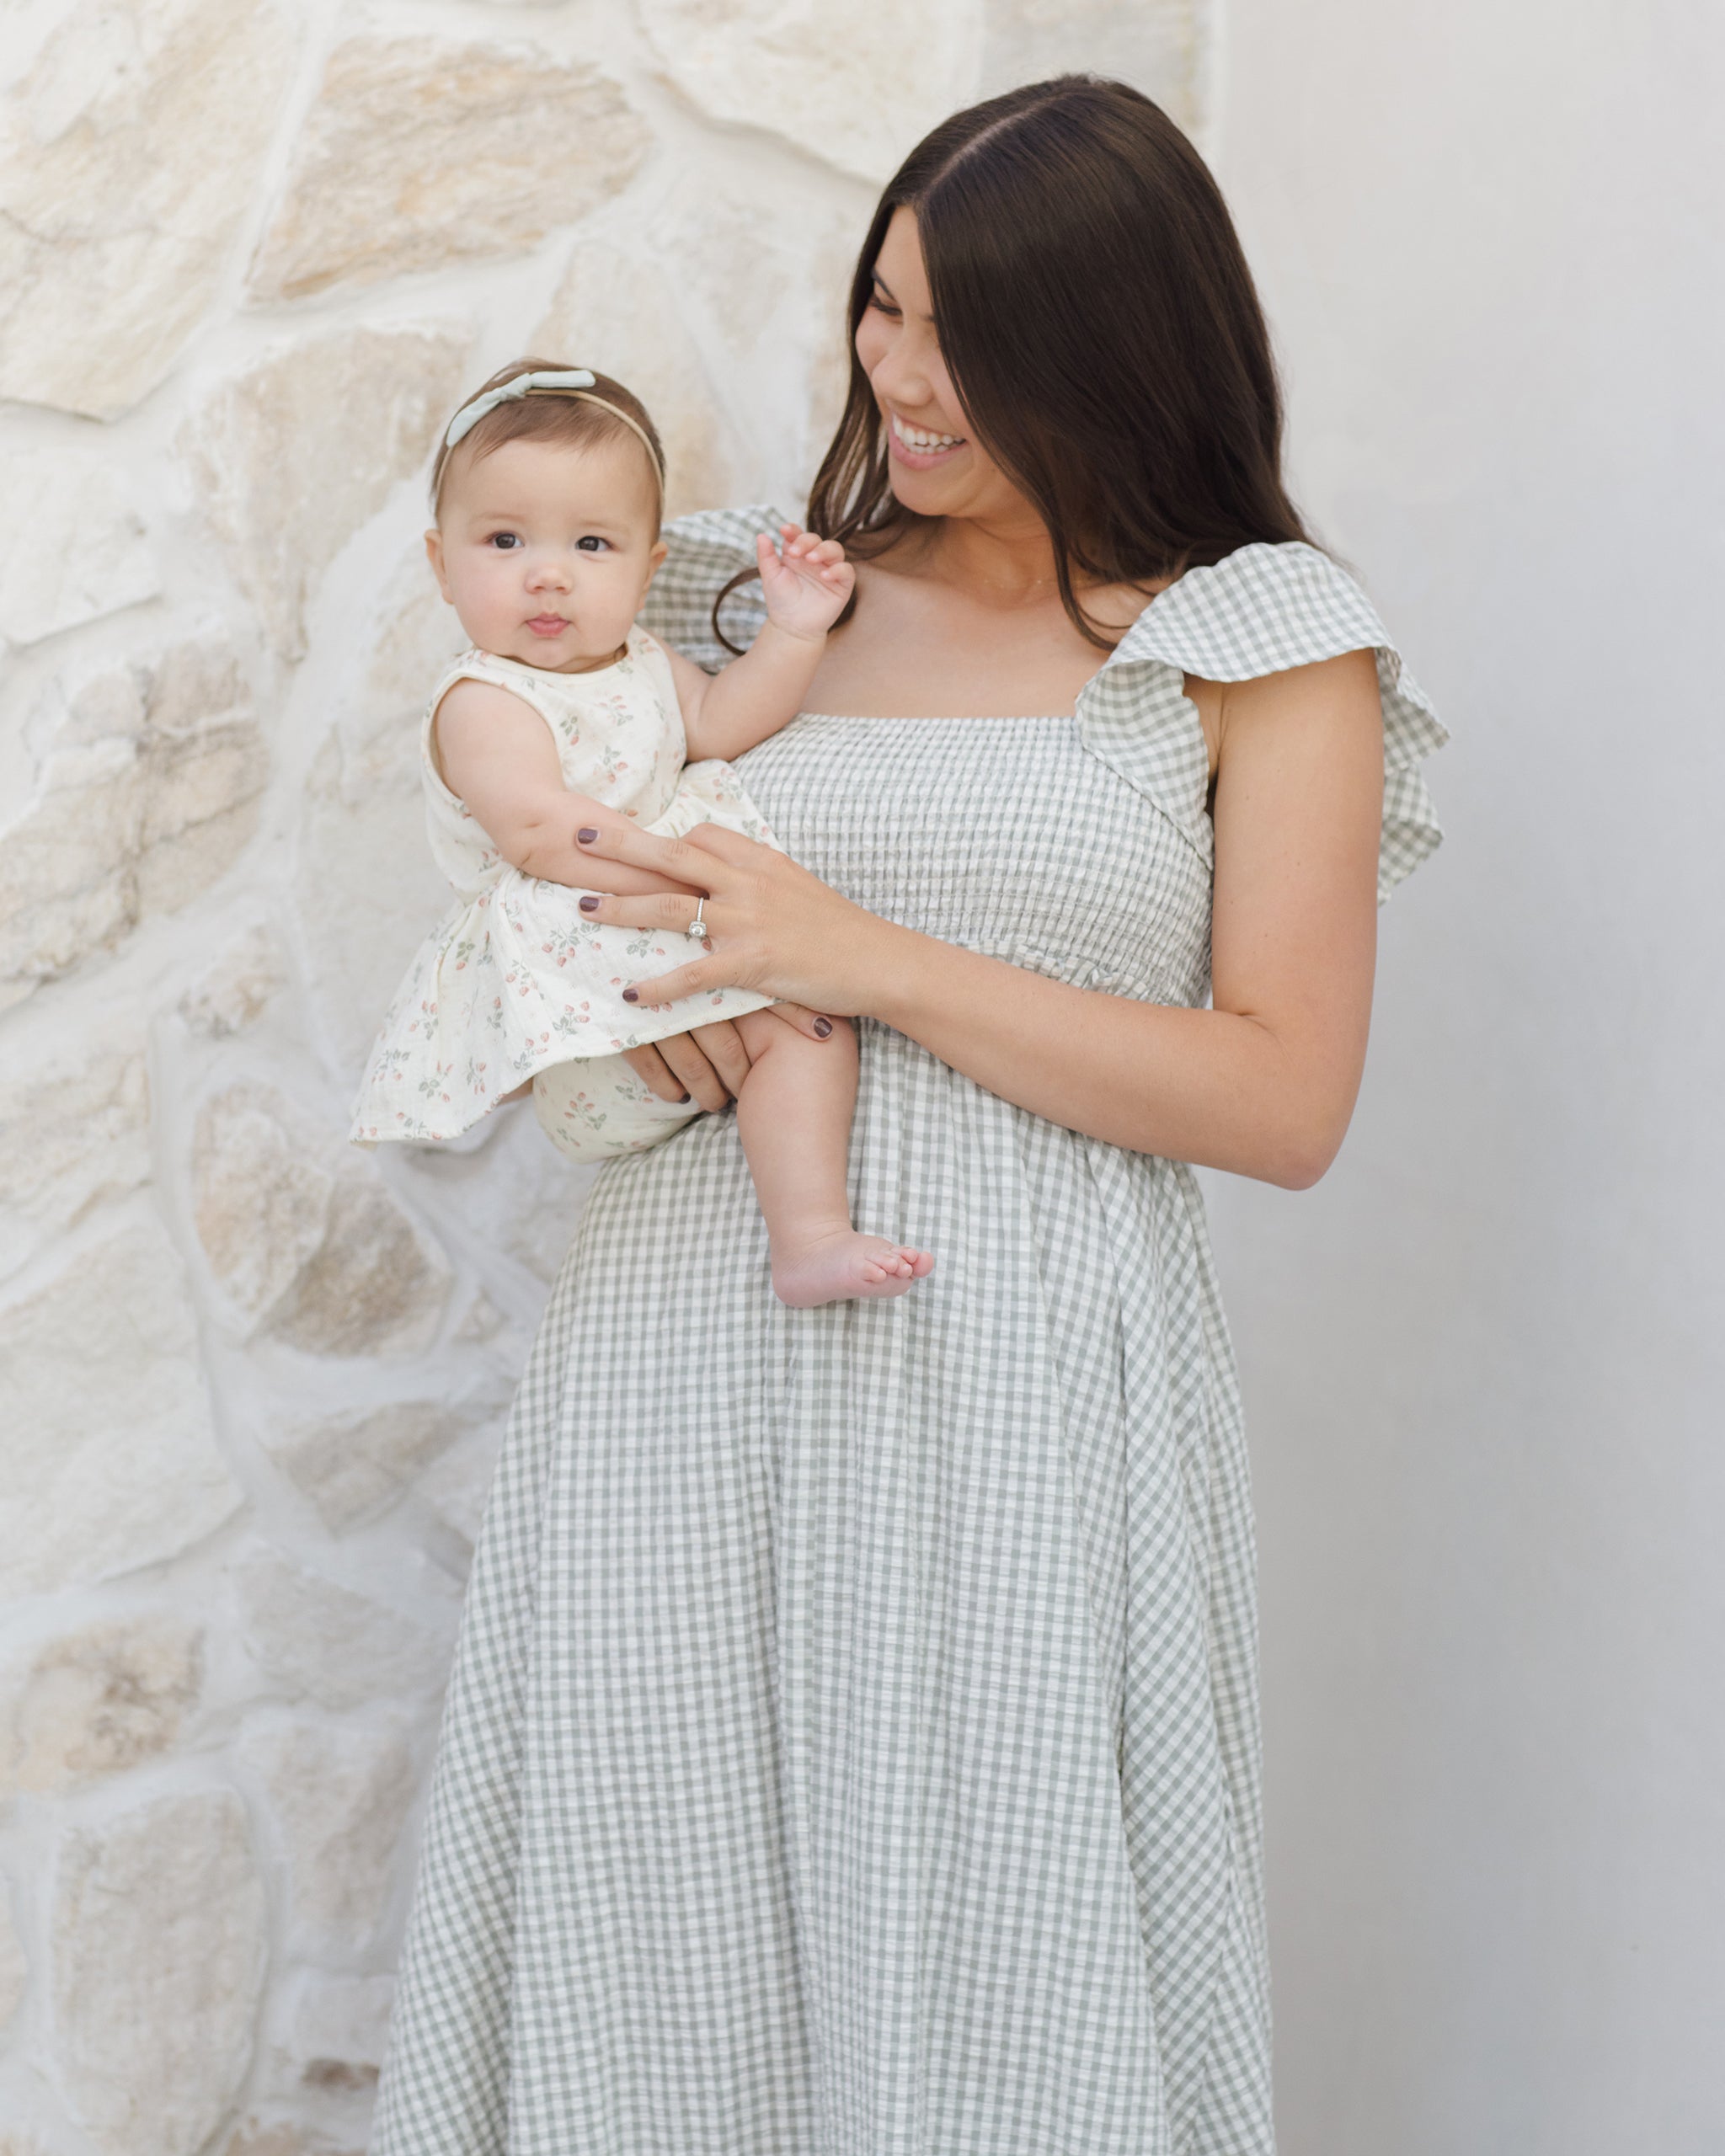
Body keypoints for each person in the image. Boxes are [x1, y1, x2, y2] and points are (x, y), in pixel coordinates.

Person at [369, 74, 1447, 2156]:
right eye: (883, 306)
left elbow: (1283, 1094)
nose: (901, 374)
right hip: (685, 1349)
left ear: (1117, 343)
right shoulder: (746, 591)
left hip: (1021, 1372)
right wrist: (623, 1019)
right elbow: (552, 873)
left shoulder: (1254, 643)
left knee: (997, 1959)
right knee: (662, 1931)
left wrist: (859, 955)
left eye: (968, 332)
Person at [349, 359, 932, 1305]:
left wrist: (793, 633)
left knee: (815, 1033)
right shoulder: (485, 698)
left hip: (654, 960)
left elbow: (723, 722)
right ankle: (804, 1235)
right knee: (787, 1026)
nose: (548, 573)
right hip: (593, 1003)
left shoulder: (645, 661)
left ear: (646, 569)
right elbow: (542, 832)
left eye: (591, 543)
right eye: (503, 540)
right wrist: (706, 886)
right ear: (441, 565)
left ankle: (813, 1234)